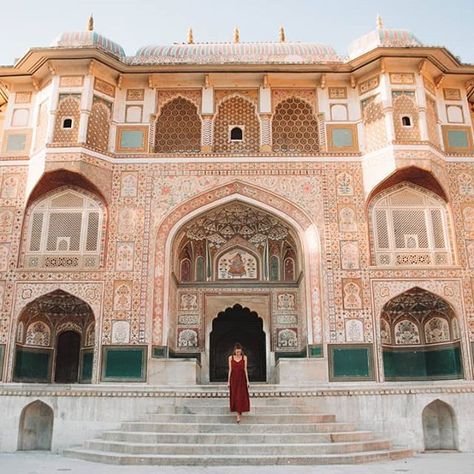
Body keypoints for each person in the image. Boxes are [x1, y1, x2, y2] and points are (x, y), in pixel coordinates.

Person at [227, 343, 250, 423]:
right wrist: (228, 382)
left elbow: (245, 369)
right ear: (234, 351)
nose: (238, 353)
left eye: (239, 352)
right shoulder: (230, 358)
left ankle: (238, 415)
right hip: (233, 380)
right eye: (237, 352)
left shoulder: (244, 358)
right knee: (235, 396)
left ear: (241, 351)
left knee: (240, 396)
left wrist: (248, 381)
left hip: (242, 379)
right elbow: (230, 370)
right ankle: (238, 412)